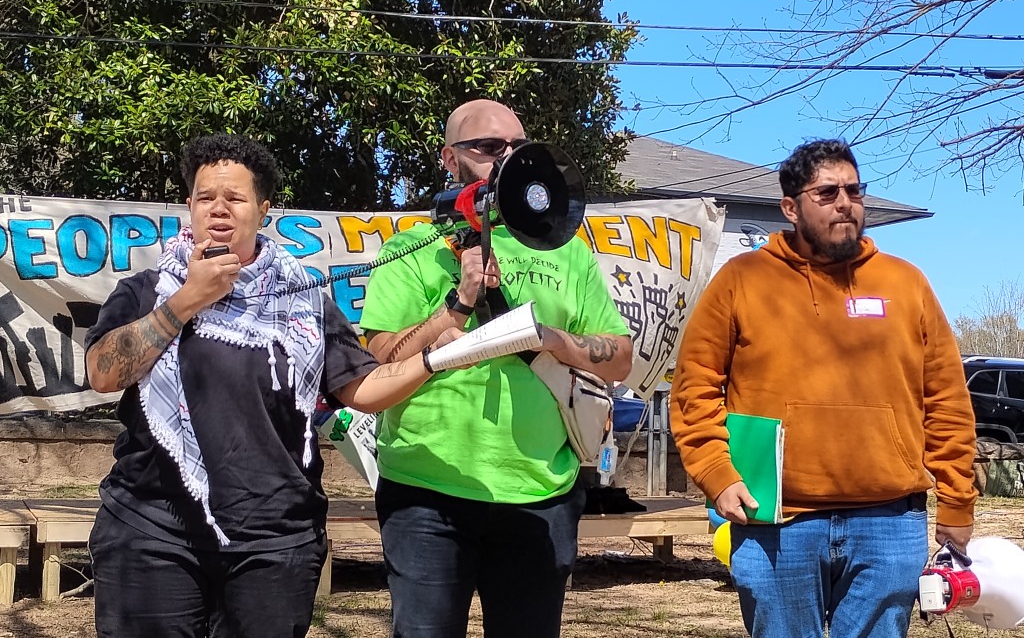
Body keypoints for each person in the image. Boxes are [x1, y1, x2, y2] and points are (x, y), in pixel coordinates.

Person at [86, 133, 443, 638]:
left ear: (263, 211)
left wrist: (435, 357)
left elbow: (362, 389)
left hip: (273, 542)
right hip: (153, 534)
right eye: (206, 197)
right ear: (189, 206)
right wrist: (187, 301)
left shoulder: (306, 300)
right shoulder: (147, 291)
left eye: (235, 198)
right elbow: (104, 373)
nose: (219, 210)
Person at [671, 138, 977, 638]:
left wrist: (957, 502)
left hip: (889, 521)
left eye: (855, 191)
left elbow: (946, 401)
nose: (845, 202)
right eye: (828, 192)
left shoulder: (906, 284)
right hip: (776, 521)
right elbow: (695, 388)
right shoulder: (741, 280)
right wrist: (717, 473)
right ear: (790, 207)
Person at [359, 99, 634, 638]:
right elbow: (380, 362)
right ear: (450, 159)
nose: (505, 158)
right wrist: (455, 306)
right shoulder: (410, 250)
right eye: (487, 148)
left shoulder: (567, 251)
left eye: (516, 147)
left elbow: (619, 357)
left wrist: (555, 340)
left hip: (540, 496)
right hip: (425, 494)